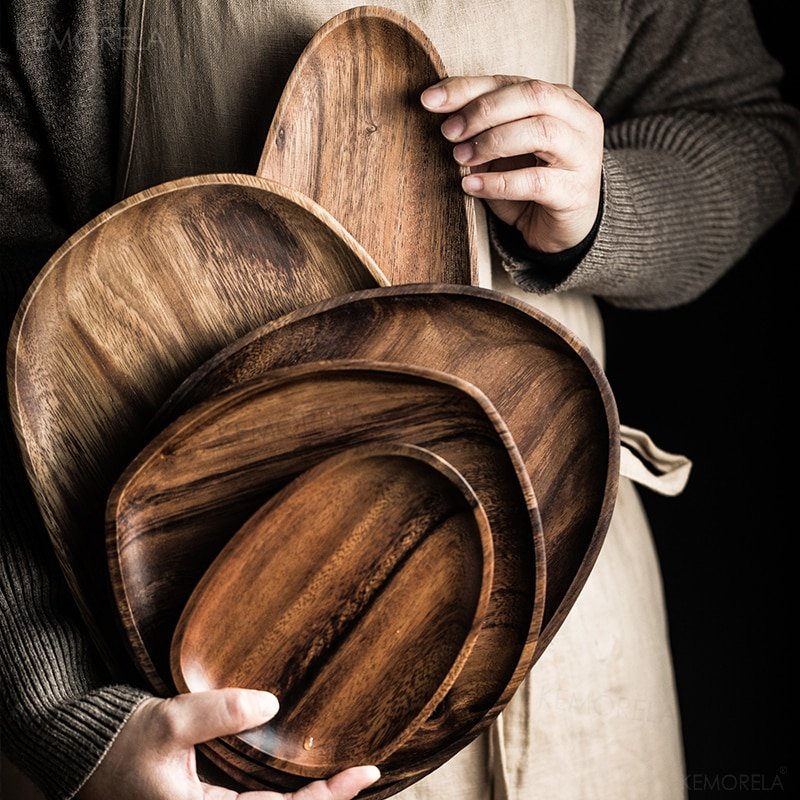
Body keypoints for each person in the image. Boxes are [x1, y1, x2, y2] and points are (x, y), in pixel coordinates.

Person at [2, 0, 798, 798]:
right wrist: (71, 722)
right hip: (192, 715)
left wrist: (604, 207)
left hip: (571, 629)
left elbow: (750, 130)